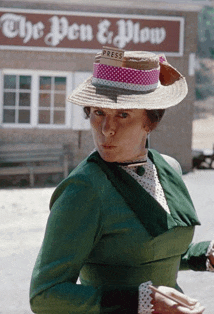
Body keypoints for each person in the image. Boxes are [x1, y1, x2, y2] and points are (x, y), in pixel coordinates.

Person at [30, 47, 214, 314]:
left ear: (151, 121)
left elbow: (142, 255)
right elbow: (44, 294)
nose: (106, 128)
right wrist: (139, 301)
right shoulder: (84, 190)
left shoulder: (169, 168)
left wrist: (204, 254)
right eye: (98, 112)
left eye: (123, 114)